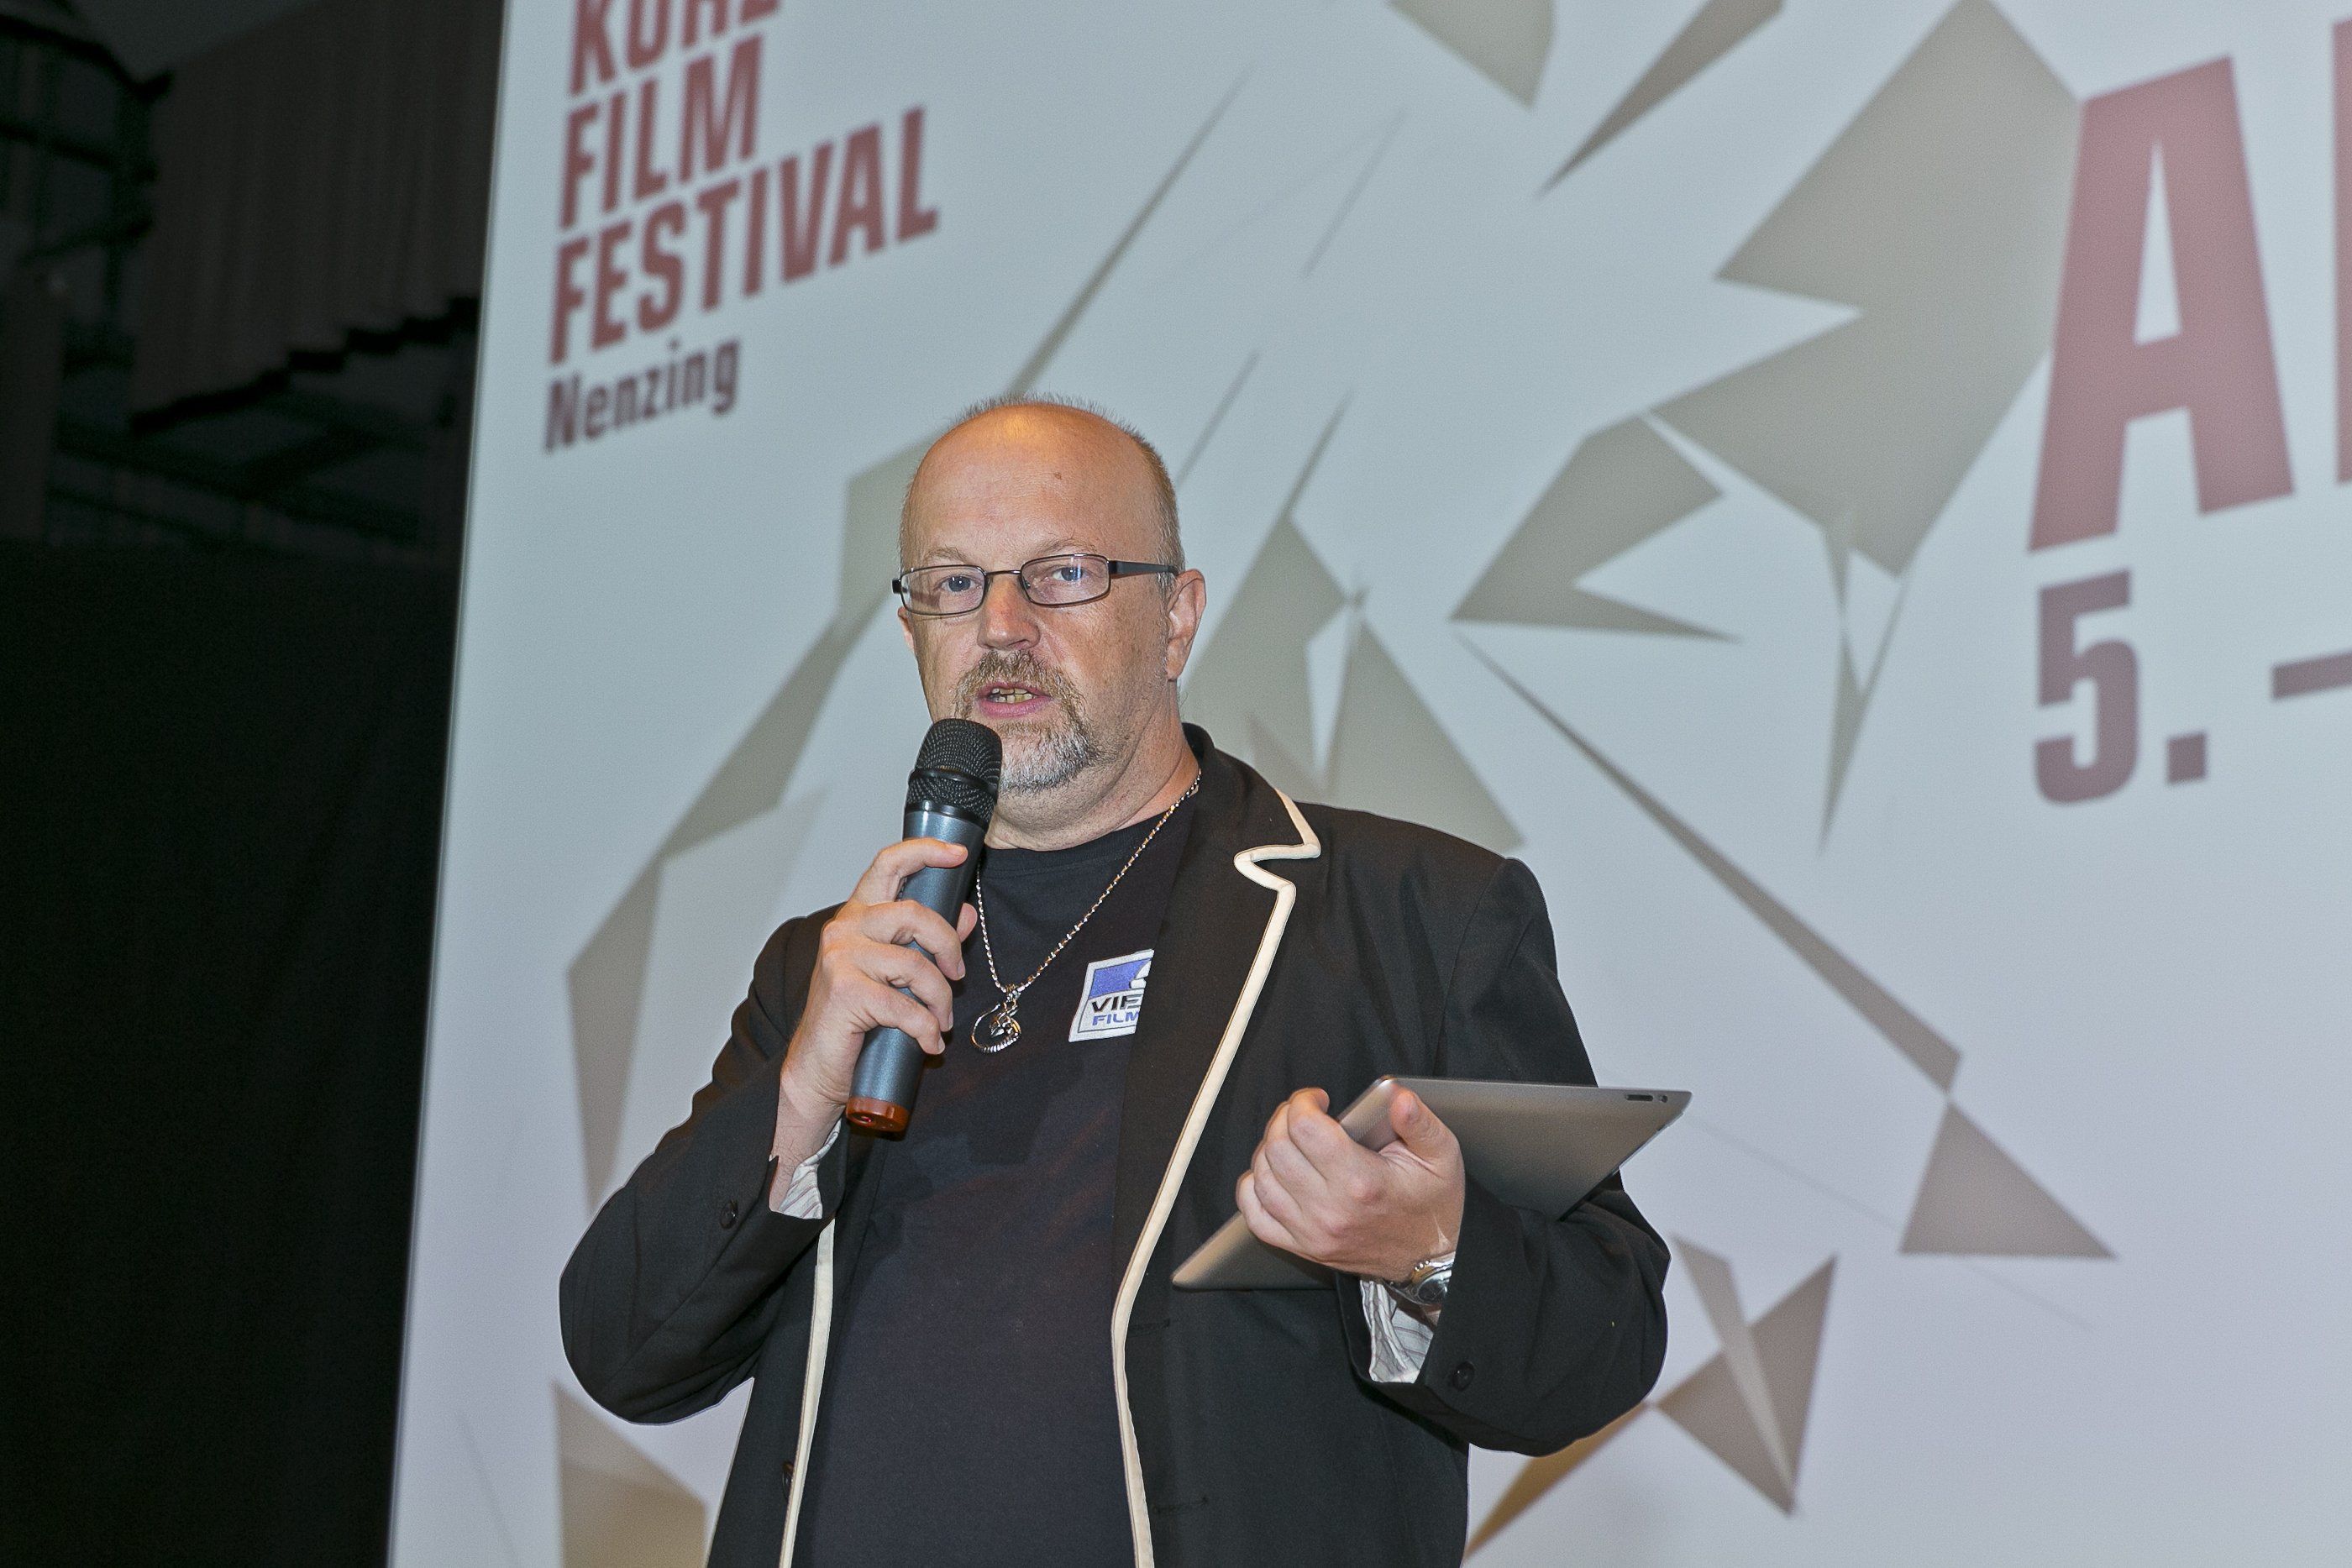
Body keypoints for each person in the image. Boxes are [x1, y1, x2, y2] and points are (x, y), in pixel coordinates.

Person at [559, 398, 1668, 1568]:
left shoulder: (1410, 916)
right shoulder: (833, 966)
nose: (1001, 628)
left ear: (1176, 618)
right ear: (911, 631)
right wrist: (798, 1103)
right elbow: (626, 1353)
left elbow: (1605, 1341)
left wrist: (1429, 1252)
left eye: (1062, 574)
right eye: (953, 584)